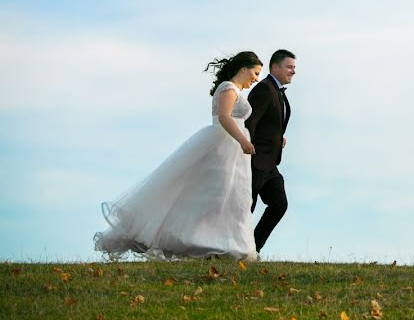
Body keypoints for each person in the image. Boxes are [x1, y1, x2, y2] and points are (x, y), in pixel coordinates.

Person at [94, 51, 263, 261]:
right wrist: (243, 140)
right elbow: (224, 117)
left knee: (235, 198)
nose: (256, 79)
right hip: (224, 147)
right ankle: (203, 242)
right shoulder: (228, 88)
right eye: (255, 73)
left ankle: (231, 245)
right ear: (244, 68)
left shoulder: (236, 90)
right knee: (216, 196)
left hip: (234, 152)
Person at [245, 49, 296, 253]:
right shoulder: (264, 89)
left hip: (270, 163)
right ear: (275, 67)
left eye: (294, 68)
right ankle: (235, 249)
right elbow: (249, 123)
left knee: (279, 205)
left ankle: (253, 248)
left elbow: (270, 123)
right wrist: (247, 154)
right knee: (246, 209)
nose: (293, 71)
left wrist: (277, 139)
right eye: (289, 67)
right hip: (256, 161)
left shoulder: (277, 91)